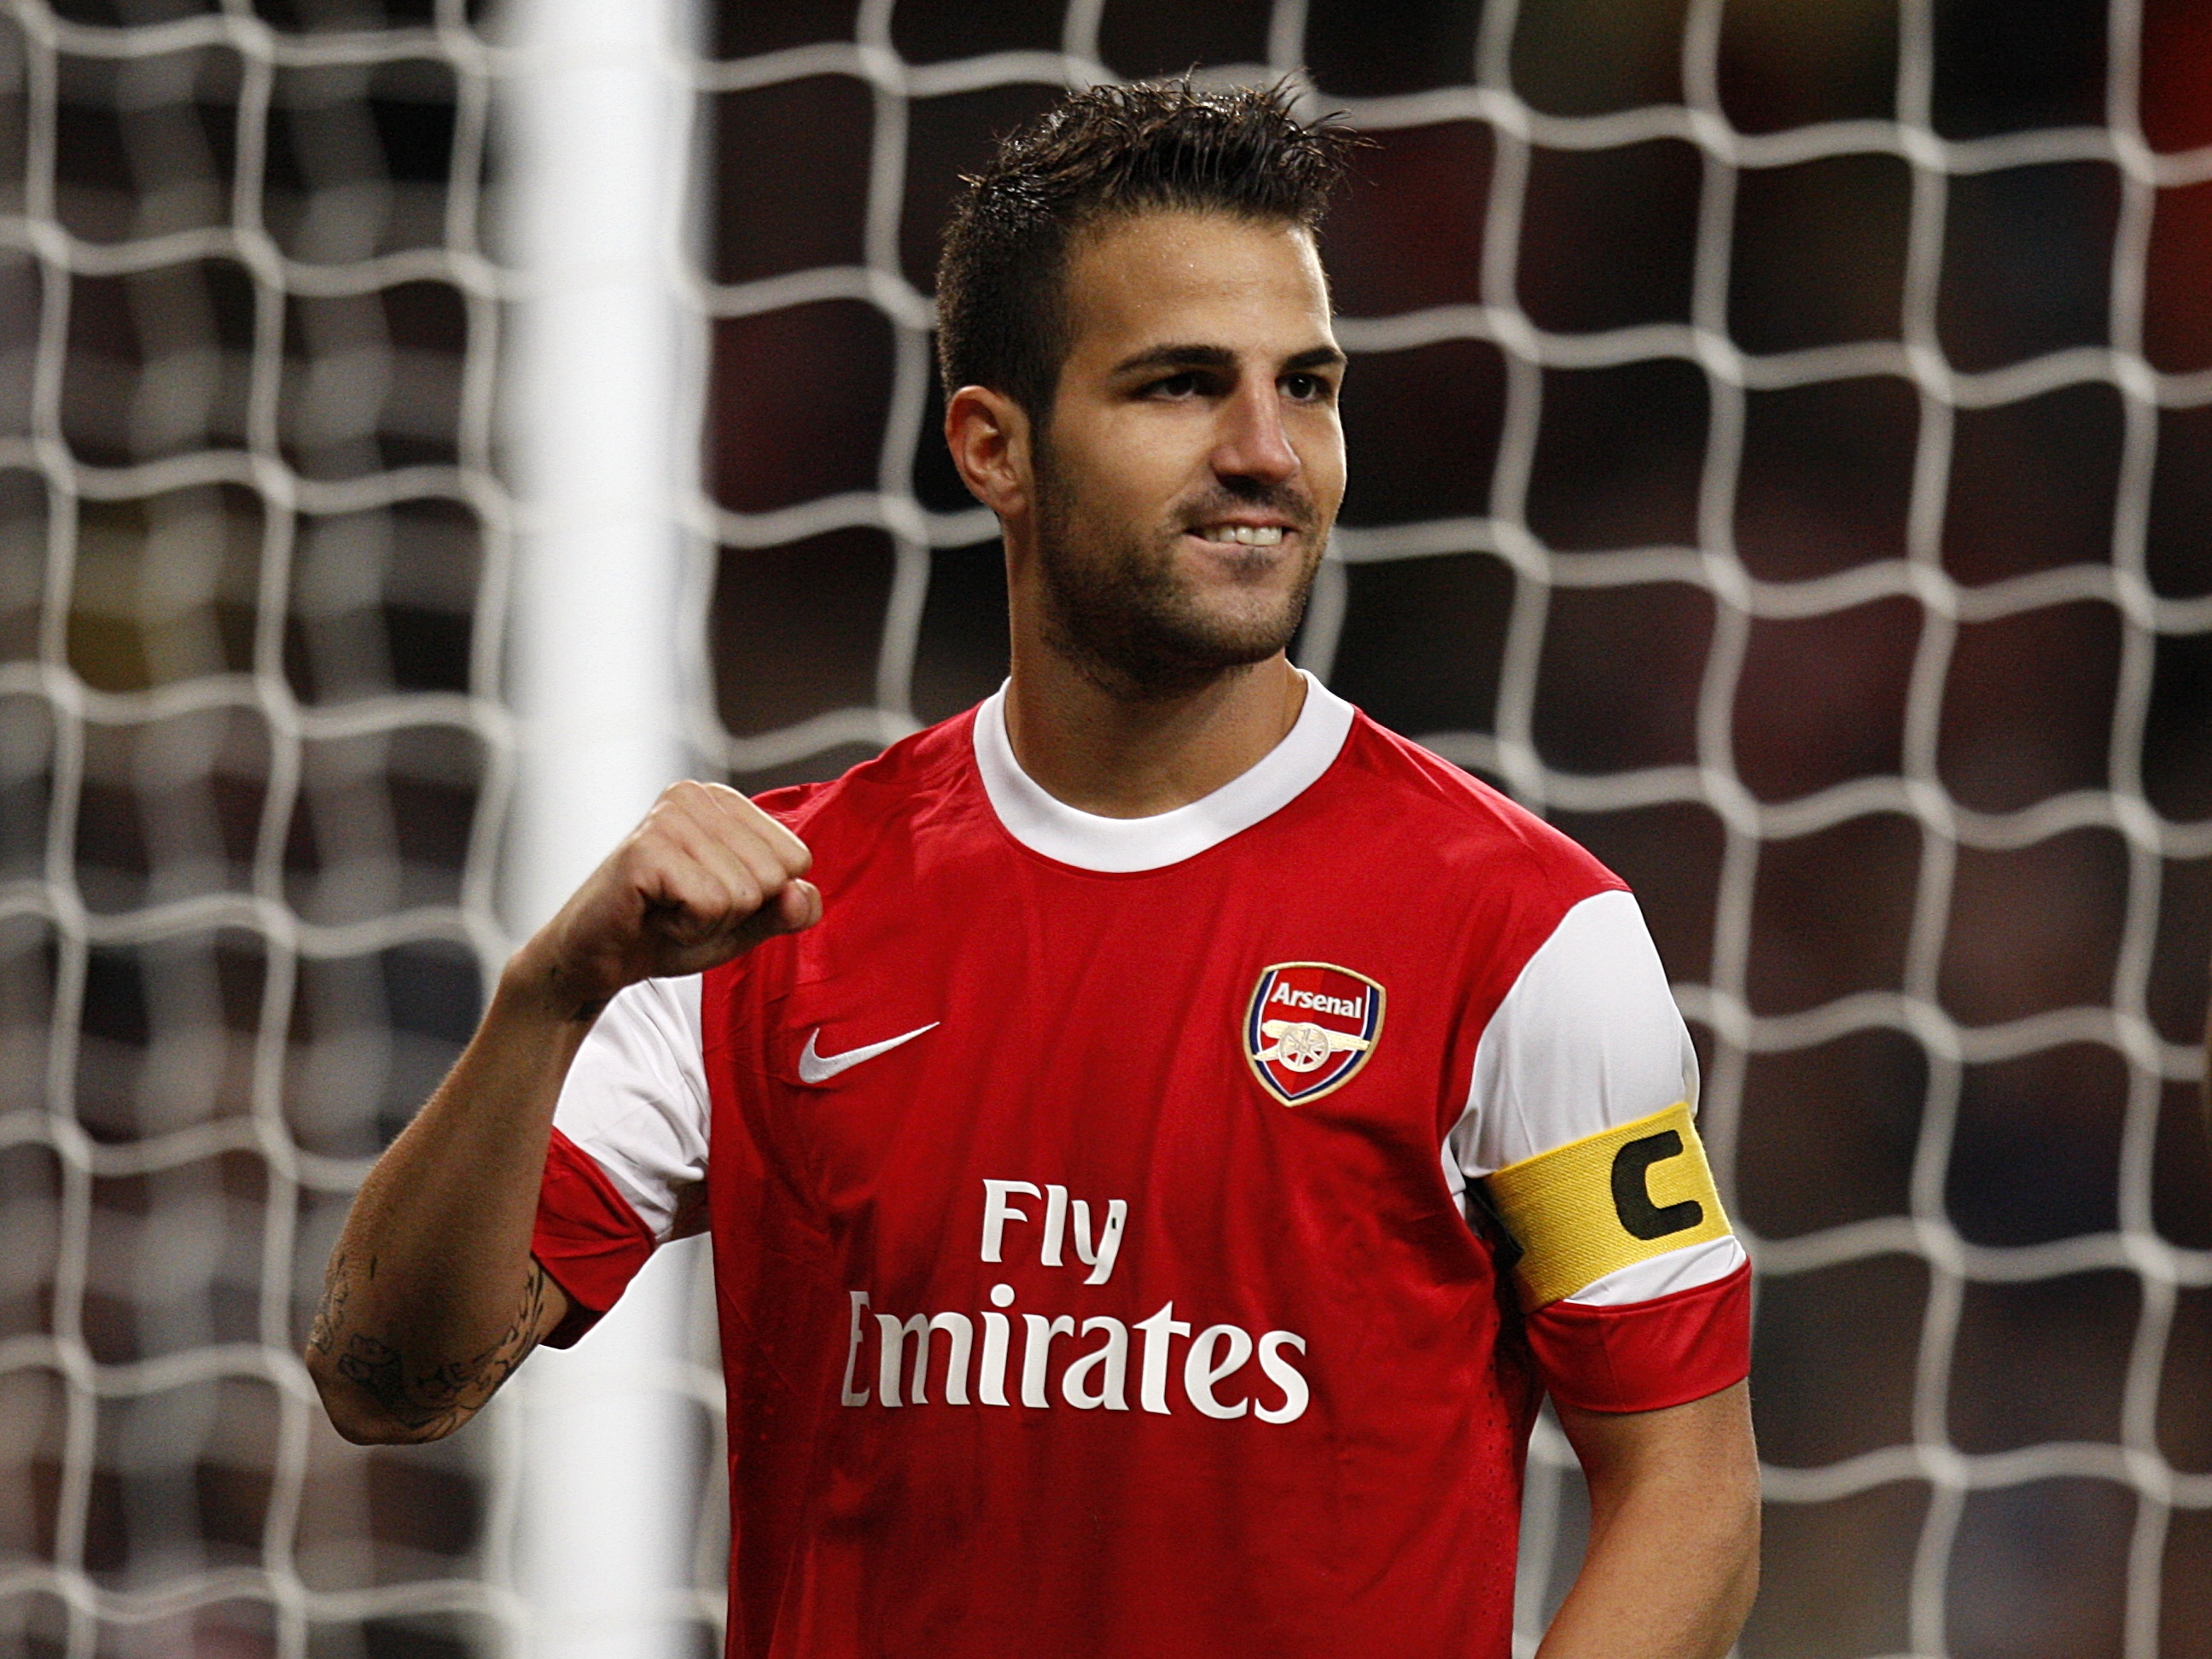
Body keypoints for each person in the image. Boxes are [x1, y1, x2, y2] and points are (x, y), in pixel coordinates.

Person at [306, 81, 1759, 1659]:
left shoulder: (1524, 932)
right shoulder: (771, 917)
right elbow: (390, 1383)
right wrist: (550, 997)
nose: (1269, 452)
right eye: (1183, 386)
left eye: (1310, 386)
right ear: (994, 447)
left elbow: (1687, 1490)